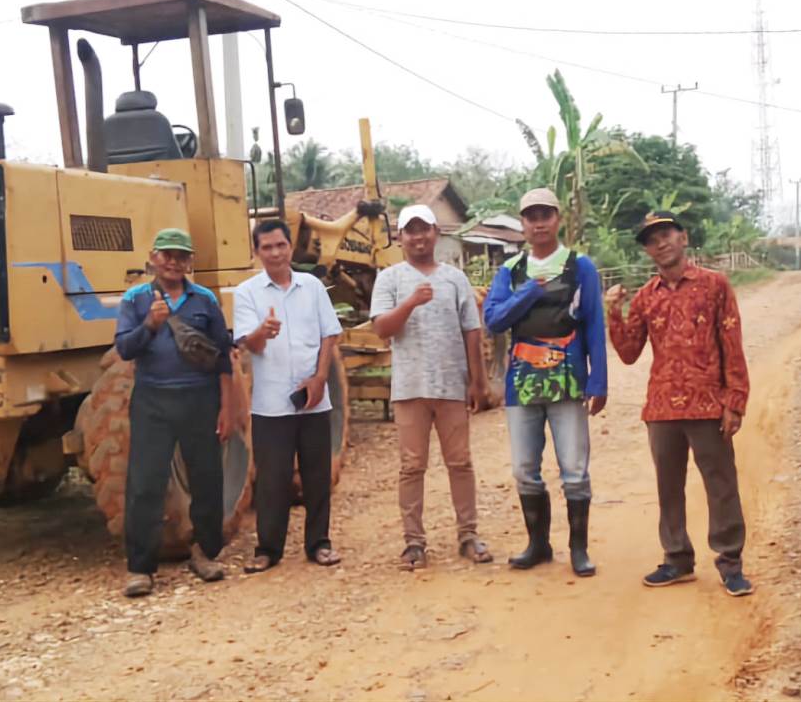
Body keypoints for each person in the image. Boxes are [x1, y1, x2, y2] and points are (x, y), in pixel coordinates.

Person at [605, 211, 754, 597]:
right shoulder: (645, 297)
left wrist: (734, 400)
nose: (661, 243)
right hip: (662, 408)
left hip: (707, 403)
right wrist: (613, 312)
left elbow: (731, 344)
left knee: (721, 483)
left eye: (667, 234)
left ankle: (730, 563)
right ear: (648, 251)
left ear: (683, 238)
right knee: (668, 485)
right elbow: (628, 353)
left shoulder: (714, 286)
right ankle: (677, 558)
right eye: (652, 239)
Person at [483, 188, 607, 577]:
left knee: (574, 466)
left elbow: (593, 323)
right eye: (531, 216)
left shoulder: (579, 266)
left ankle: (578, 549)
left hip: (568, 379)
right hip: (521, 382)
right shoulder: (512, 271)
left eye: (546, 215)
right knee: (523, 467)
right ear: (522, 224)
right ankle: (538, 544)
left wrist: (598, 380)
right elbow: (494, 319)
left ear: (558, 220)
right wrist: (528, 293)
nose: (539, 223)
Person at [370, 204, 494, 571]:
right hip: (410, 388)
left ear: (436, 233)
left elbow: (472, 331)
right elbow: (382, 329)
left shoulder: (455, 279)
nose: (419, 237)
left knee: (460, 462)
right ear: (400, 237)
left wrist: (478, 380)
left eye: (425, 229)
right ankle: (414, 543)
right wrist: (411, 302)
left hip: (451, 386)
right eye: (411, 231)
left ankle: (468, 535)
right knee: (411, 467)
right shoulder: (389, 279)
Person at [114, 228, 234, 598]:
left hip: (200, 399)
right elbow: (124, 349)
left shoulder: (205, 300)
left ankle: (205, 553)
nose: (173, 262)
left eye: (181, 256)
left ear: (190, 262)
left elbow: (223, 355)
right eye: (166, 255)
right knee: (145, 484)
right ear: (153, 257)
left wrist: (228, 406)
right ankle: (140, 568)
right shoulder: (135, 299)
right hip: (153, 401)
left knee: (207, 480)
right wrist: (150, 324)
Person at [234, 220, 344, 572]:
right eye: (267, 247)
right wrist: (261, 333)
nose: (276, 252)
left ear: (289, 247)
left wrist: (321, 377)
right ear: (257, 252)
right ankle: (268, 549)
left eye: (281, 245)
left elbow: (330, 334)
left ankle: (319, 544)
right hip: (271, 405)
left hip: (314, 399)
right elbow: (246, 344)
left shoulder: (311, 286)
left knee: (317, 477)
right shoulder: (247, 292)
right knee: (272, 479)